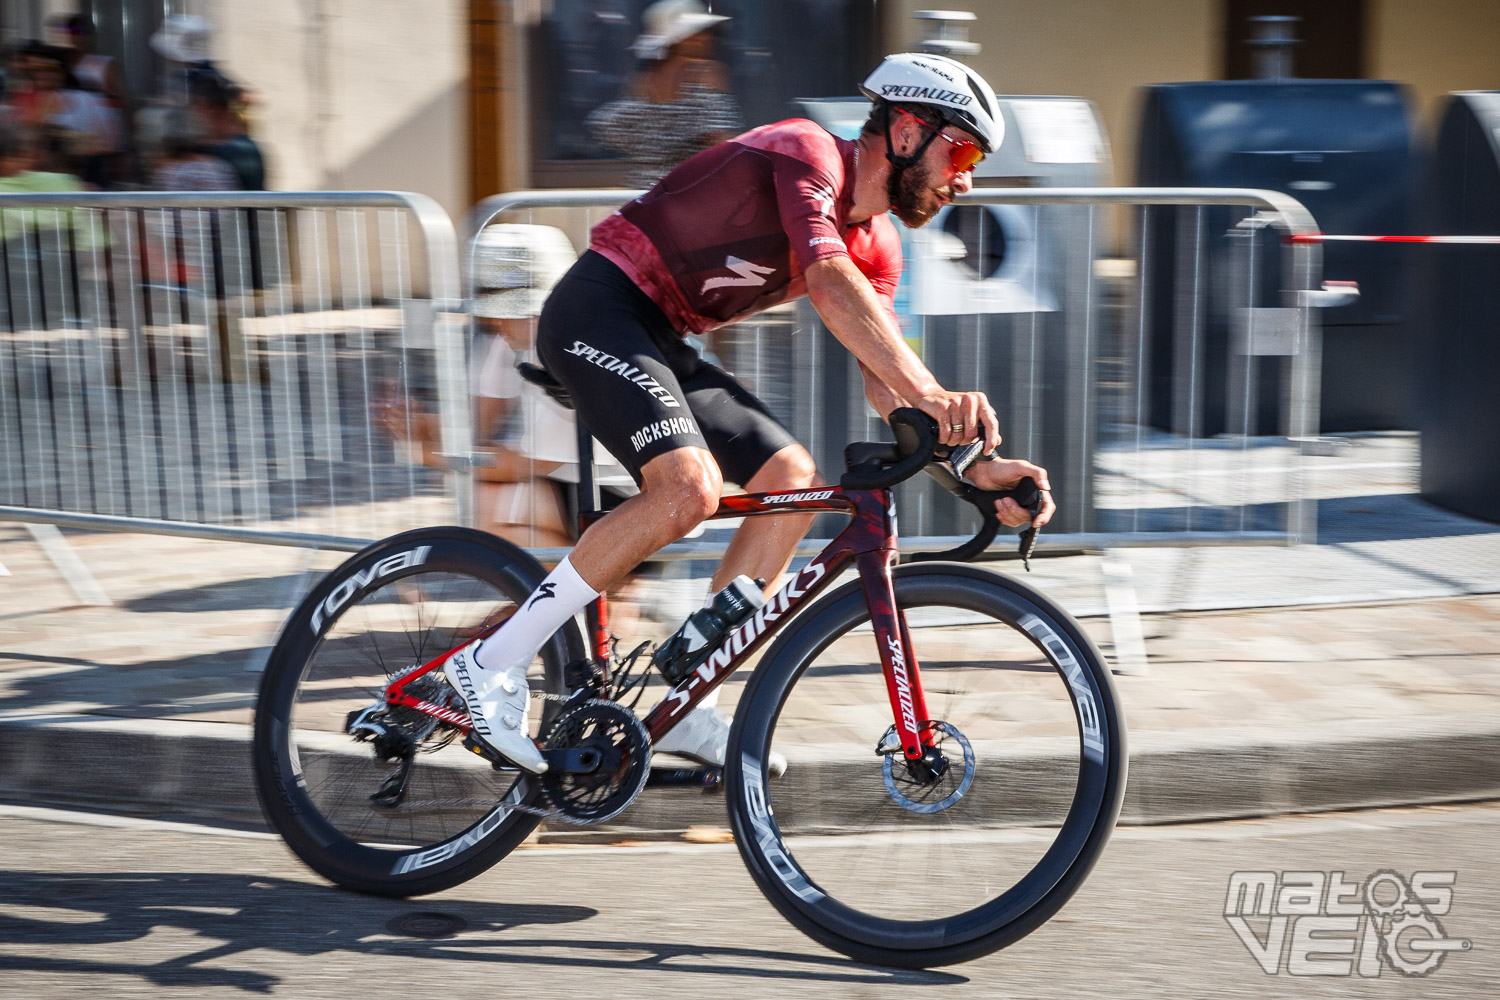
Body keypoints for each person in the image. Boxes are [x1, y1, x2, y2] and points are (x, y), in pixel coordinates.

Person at [444, 53, 1057, 775]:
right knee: (687, 491)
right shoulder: (804, 152)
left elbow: (884, 378)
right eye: (961, 151)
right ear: (905, 130)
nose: (967, 178)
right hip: (598, 307)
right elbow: (828, 284)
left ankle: (689, 706)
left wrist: (976, 465)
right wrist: (930, 391)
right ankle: (489, 665)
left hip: (661, 338)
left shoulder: (880, 245)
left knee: (790, 477)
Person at [585, 0, 742, 188]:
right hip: (687, 194)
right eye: (697, 33)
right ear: (681, 39)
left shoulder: (642, 80)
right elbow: (723, 146)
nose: (707, 38)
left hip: (644, 197)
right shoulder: (706, 73)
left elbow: (609, 127)